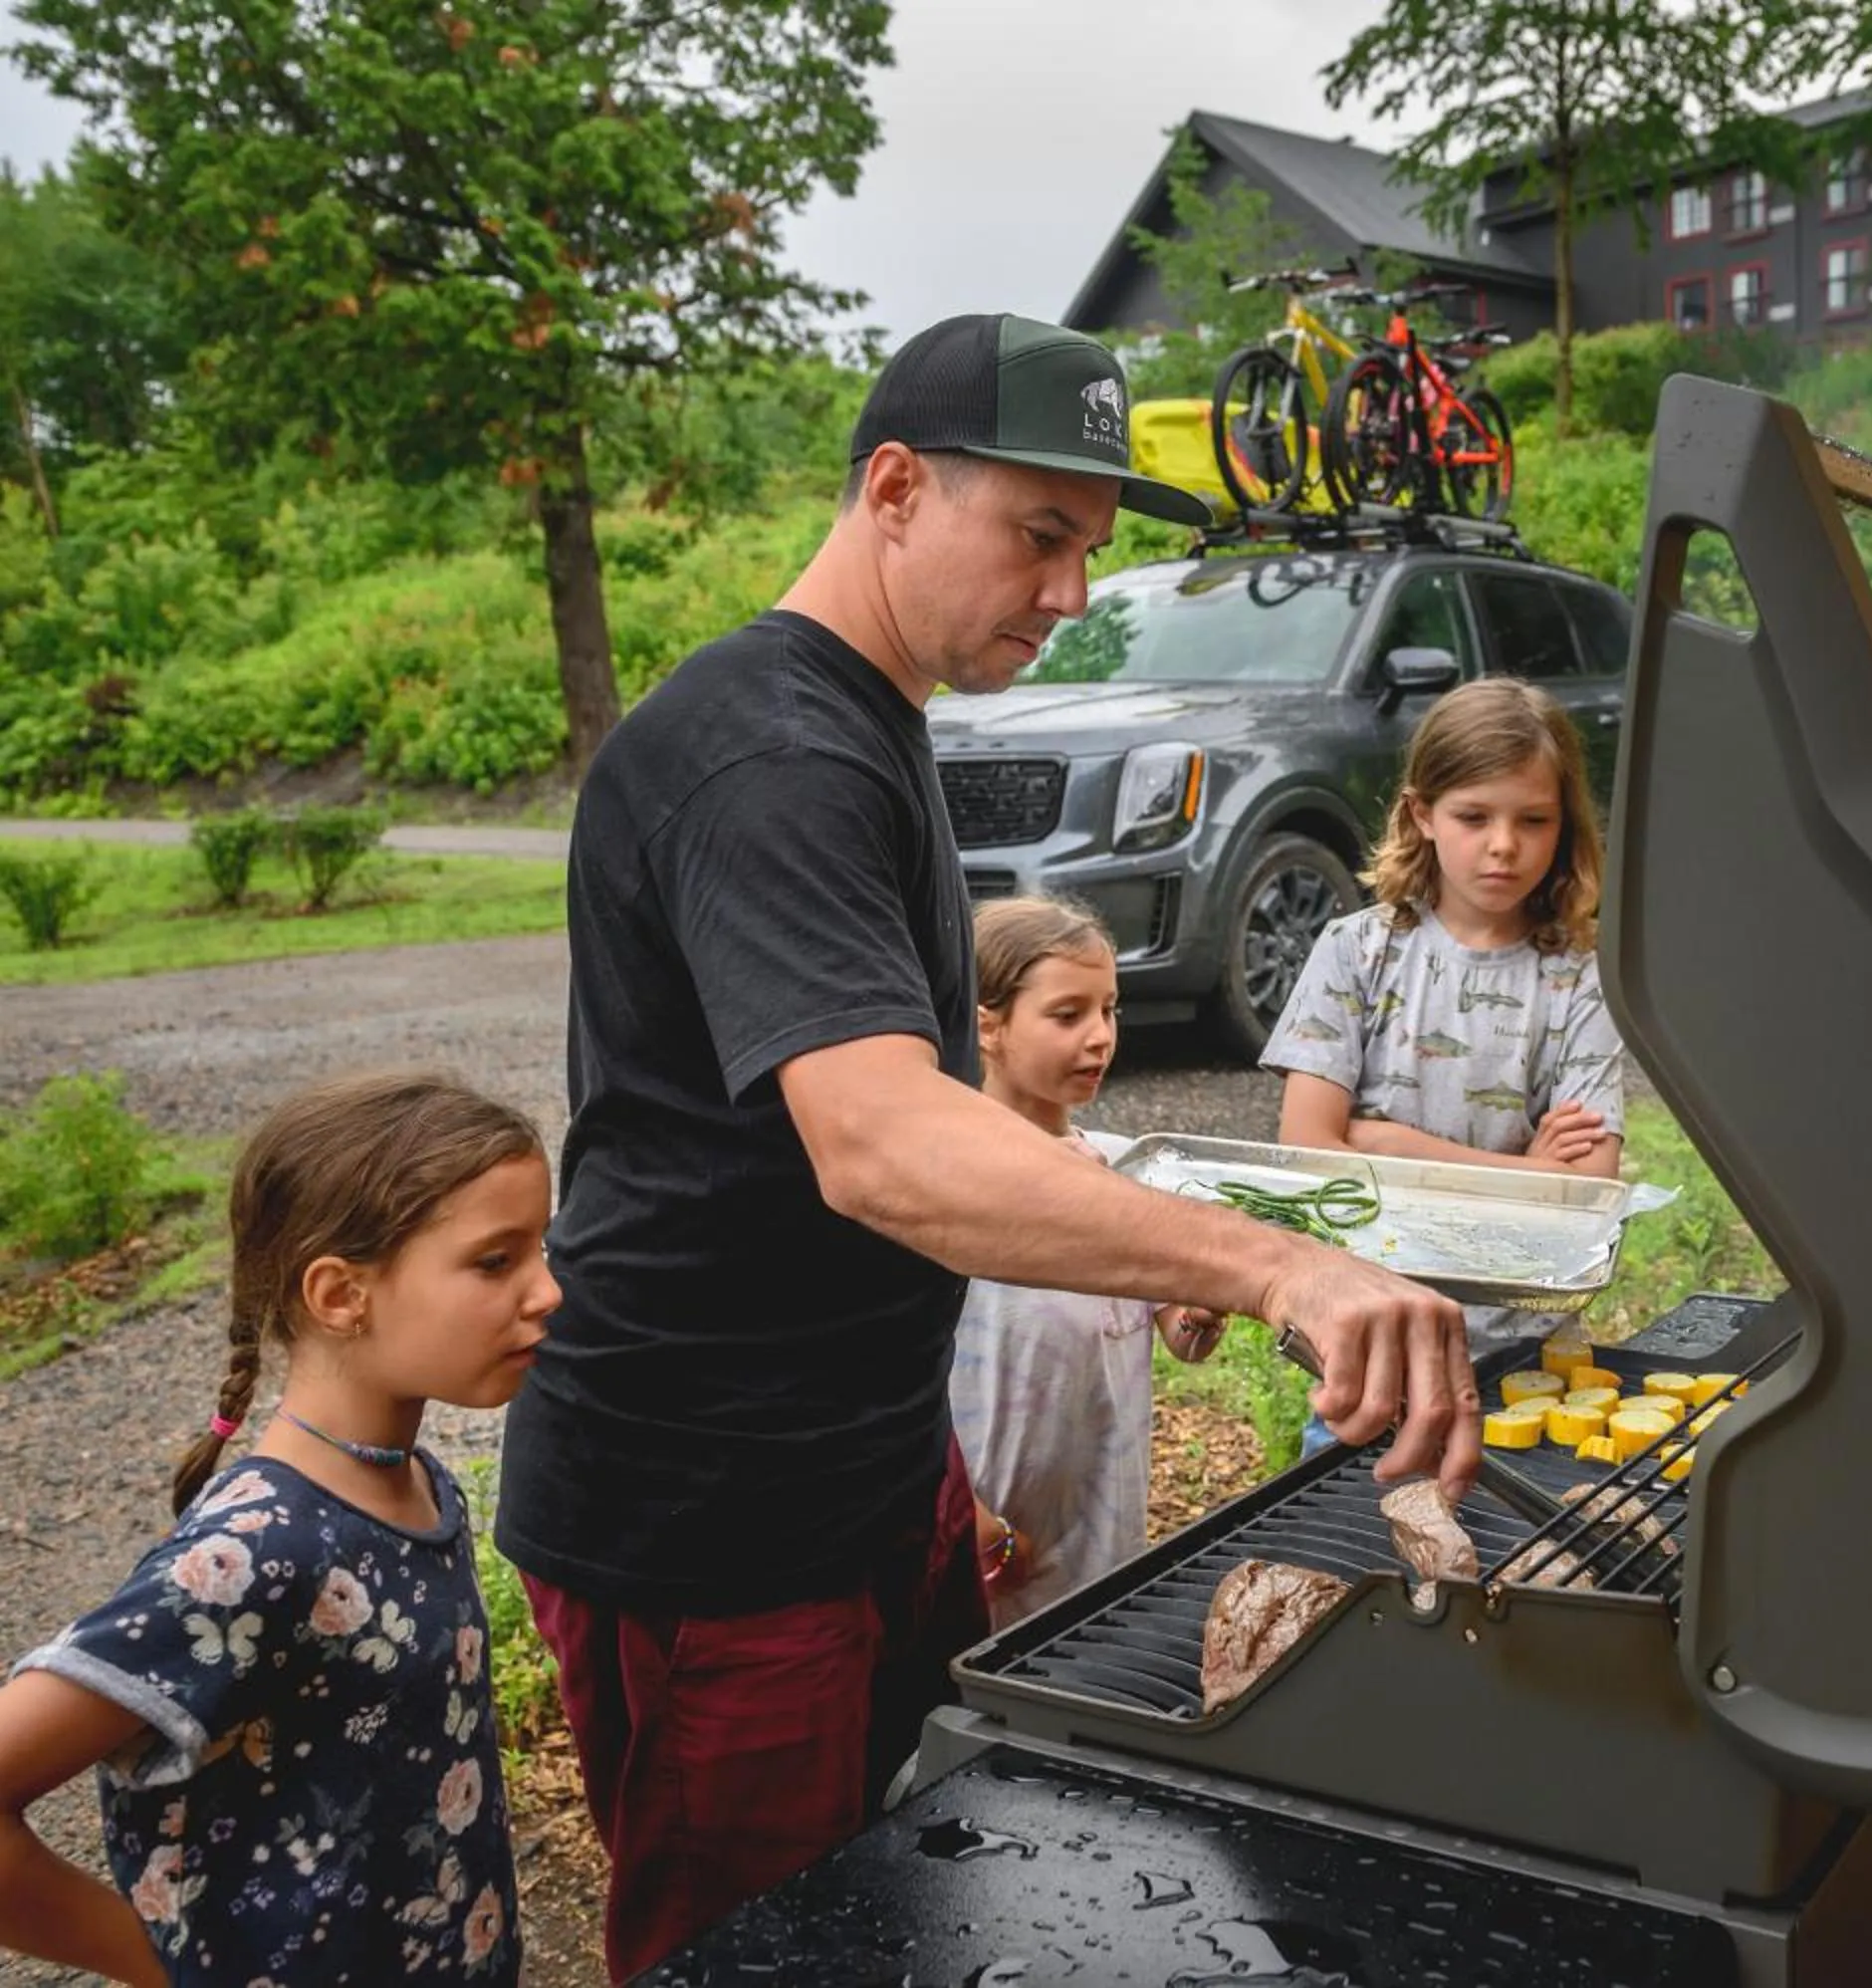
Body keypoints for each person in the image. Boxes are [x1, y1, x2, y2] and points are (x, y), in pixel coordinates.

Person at [493, 312, 1479, 1981]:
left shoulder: (869, 714)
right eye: (1038, 534)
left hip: (868, 1461)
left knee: (910, 1886)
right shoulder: (771, 750)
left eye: (1090, 549)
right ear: (892, 486)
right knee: (754, 1947)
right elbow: (879, 1144)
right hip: (711, 1510)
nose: (1071, 592)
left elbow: (941, 1111)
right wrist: (1275, 1267)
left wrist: (1142, 1235)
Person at [0, 1073, 555, 1986]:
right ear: (341, 1294)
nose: (549, 1292)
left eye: (540, 1249)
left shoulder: (415, 1484)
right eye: (497, 1262)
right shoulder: (258, 1554)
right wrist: (162, 1968)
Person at [1264, 677, 1629, 1446]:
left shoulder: (1582, 976)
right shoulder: (1356, 952)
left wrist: (1388, 1143)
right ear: (1421, 813)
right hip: (1371, 1344)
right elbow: (1309, 1154)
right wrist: (1529, 1174)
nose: (1504, 845)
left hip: (1526, 1362)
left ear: (1564, 828)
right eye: (1474, 817)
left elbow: (1588, 1189)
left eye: (1534, 820)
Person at [950, 895, 1223, 1629]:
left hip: (1103, 1529)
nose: (1100, 1037)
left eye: (1110, 1011)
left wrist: (1196, 1316)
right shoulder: (953, 1186)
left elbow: (1175, 1332)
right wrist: (977, 1529)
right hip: (993, 1540)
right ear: (988, 1023)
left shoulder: (1121, 1169)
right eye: (1068, 1016)